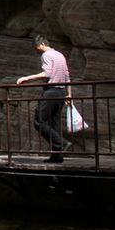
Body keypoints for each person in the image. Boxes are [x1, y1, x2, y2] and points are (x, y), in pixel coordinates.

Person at [16, 35, 72, 163]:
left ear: (41, 44)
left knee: (39, 121)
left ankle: (61, 143)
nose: (36, 49)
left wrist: (27, 78)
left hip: (51, 91)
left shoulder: (46, 55)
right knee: (55, 124)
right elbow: (67, 75)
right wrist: (69, 94)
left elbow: (47, 73)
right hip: (61, 92)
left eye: (36, 47)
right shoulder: (60, 55)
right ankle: (57, 156)